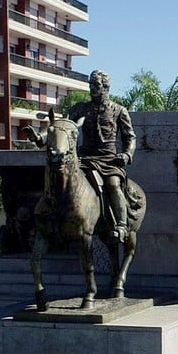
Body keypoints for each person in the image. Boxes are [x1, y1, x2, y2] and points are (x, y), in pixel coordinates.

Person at [67, 70, 136, 242]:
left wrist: (127, 155)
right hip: (84, 158)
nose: (92, 88)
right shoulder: (81, 109)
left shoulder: (119, 110)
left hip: (108, 160)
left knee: (113, 185)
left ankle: (121, 224)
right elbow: (64, 124)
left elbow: (130, 137)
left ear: (106, 87)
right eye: (90, 84)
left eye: (95, 85)